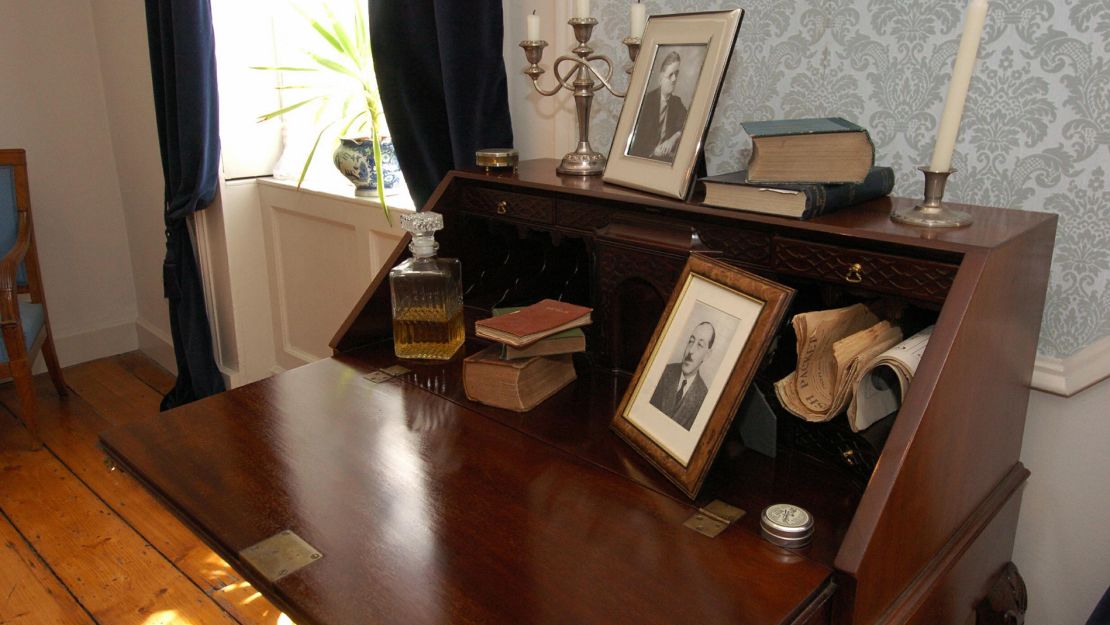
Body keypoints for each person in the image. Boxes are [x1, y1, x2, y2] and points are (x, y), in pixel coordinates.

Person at [649, 321, 714, 430]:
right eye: (691, 341)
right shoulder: (663, 372)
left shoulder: (704, 398)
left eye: (699, 345)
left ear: (707, 355)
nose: (691, 351)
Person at [628, 50, 687, 161]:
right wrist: (653, 150)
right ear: (660, 78)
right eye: (670, 75)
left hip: (666, 161)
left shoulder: (676, 102)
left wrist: (673, 138)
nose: (674, 79)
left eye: (676, 74)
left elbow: (689, 123)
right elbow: (635, 140)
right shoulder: (646, 102)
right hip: (644, 160)